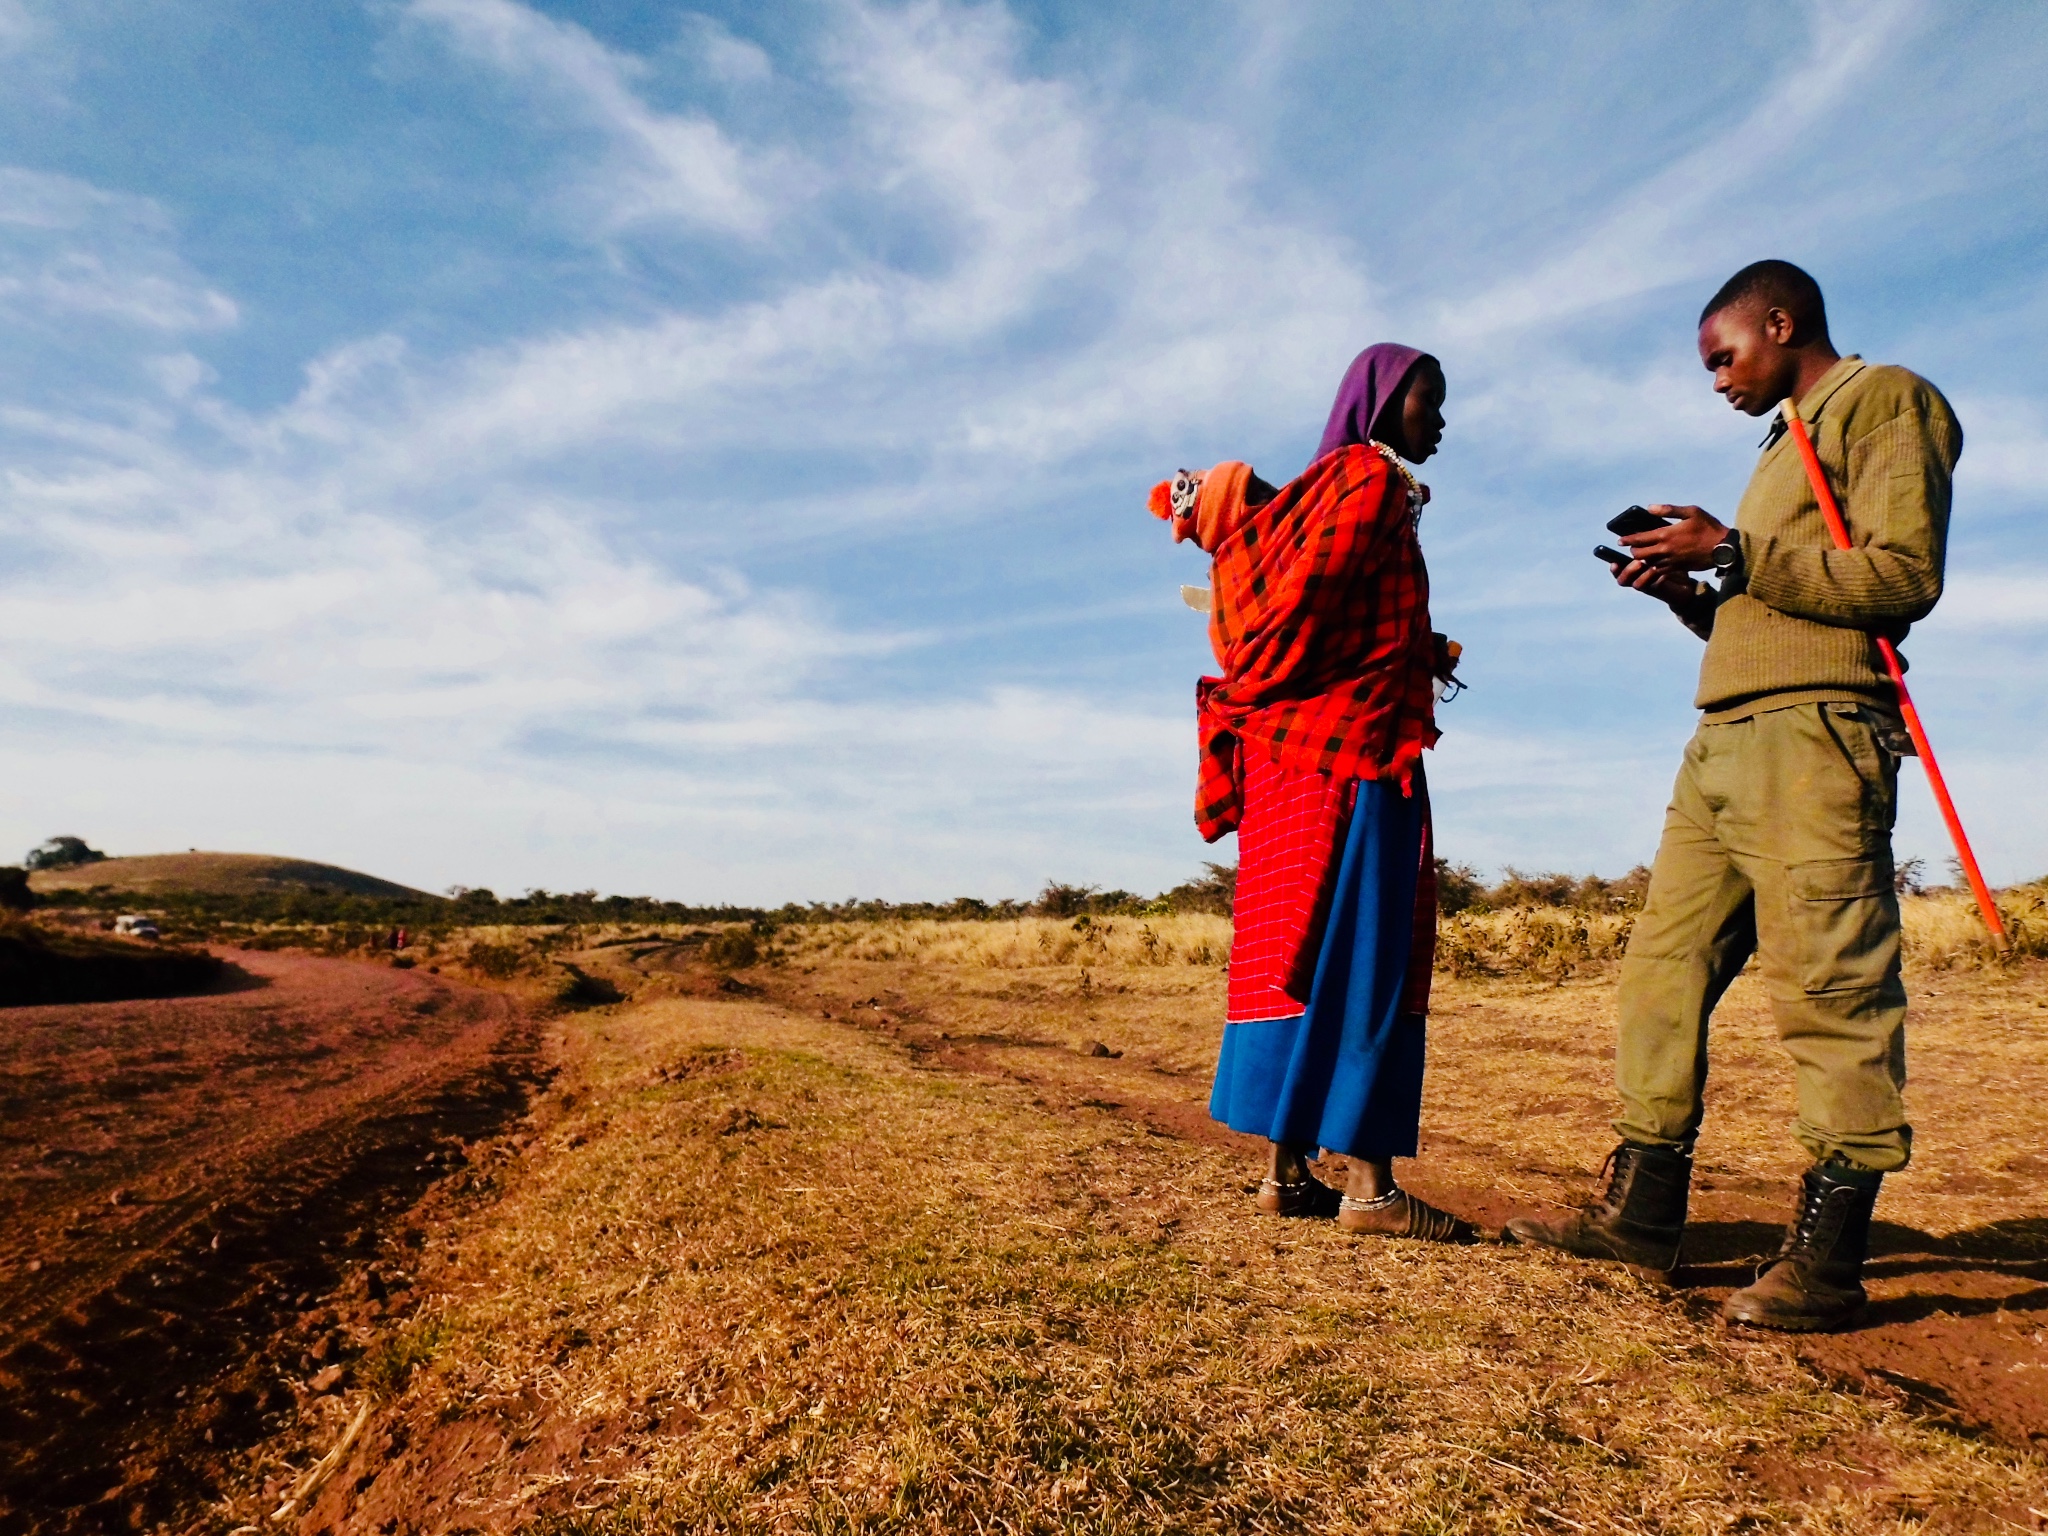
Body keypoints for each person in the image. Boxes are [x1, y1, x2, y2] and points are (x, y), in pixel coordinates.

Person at [1506, 260, 1962, 1330]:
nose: (1714, 381)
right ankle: (1641, 1215)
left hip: (1817, 736)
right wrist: (1686, 593)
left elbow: (1904, 577)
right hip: (1719, 738)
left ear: (1777, 321)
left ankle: (1827, 1259)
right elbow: (1763, 608)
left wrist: (1736, 549)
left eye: (1723, 357)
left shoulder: (1883, 399)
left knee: (1830, 988)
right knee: (1658, 972)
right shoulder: (1775, 446)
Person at [1148, 343, 1474, 1243]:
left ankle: (1285, 1177)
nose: (1440, 421)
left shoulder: (1319, 500)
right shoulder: (1367, 484)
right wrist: (1396, 657)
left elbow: (1304, 612)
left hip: (1289, 759)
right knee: (1367, 950)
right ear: (1379, 403)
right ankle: (1370, 1191)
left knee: (1293, 943)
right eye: (1428, 402)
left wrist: (1416, 643)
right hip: (1357, 752)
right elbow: (1307, 611)